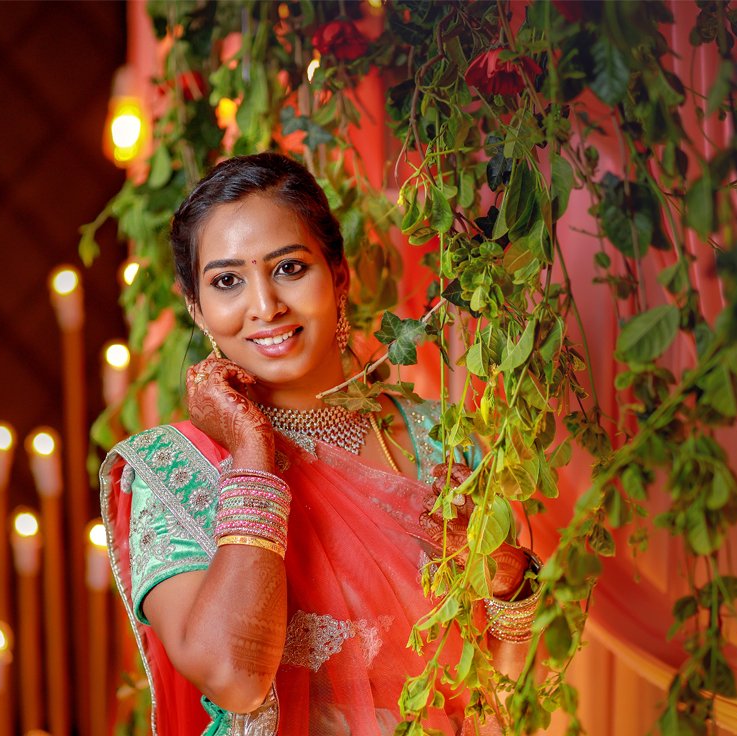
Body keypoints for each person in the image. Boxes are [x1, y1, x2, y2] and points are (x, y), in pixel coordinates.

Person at [99, 152, 540, 735]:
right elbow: (235, 674)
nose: (265, 306)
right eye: (227, 281)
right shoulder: (172, 471)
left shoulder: (441, 438)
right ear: (196, 308)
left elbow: (513, 688)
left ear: (338, 275)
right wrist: (254, 454)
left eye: (289, 268)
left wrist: (509, 579)